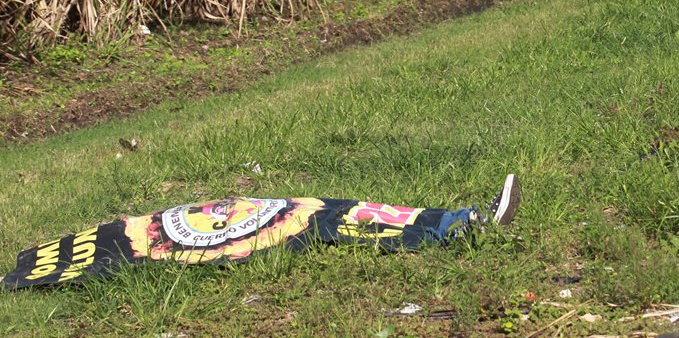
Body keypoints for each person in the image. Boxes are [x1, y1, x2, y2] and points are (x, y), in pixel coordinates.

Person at [3, 174, 521, 290]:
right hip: (257, 226)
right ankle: (456, 226)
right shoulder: (114, 246)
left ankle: (456, 223)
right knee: (331, 218)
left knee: (331, 211)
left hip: (266, 213)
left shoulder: (112, 237)